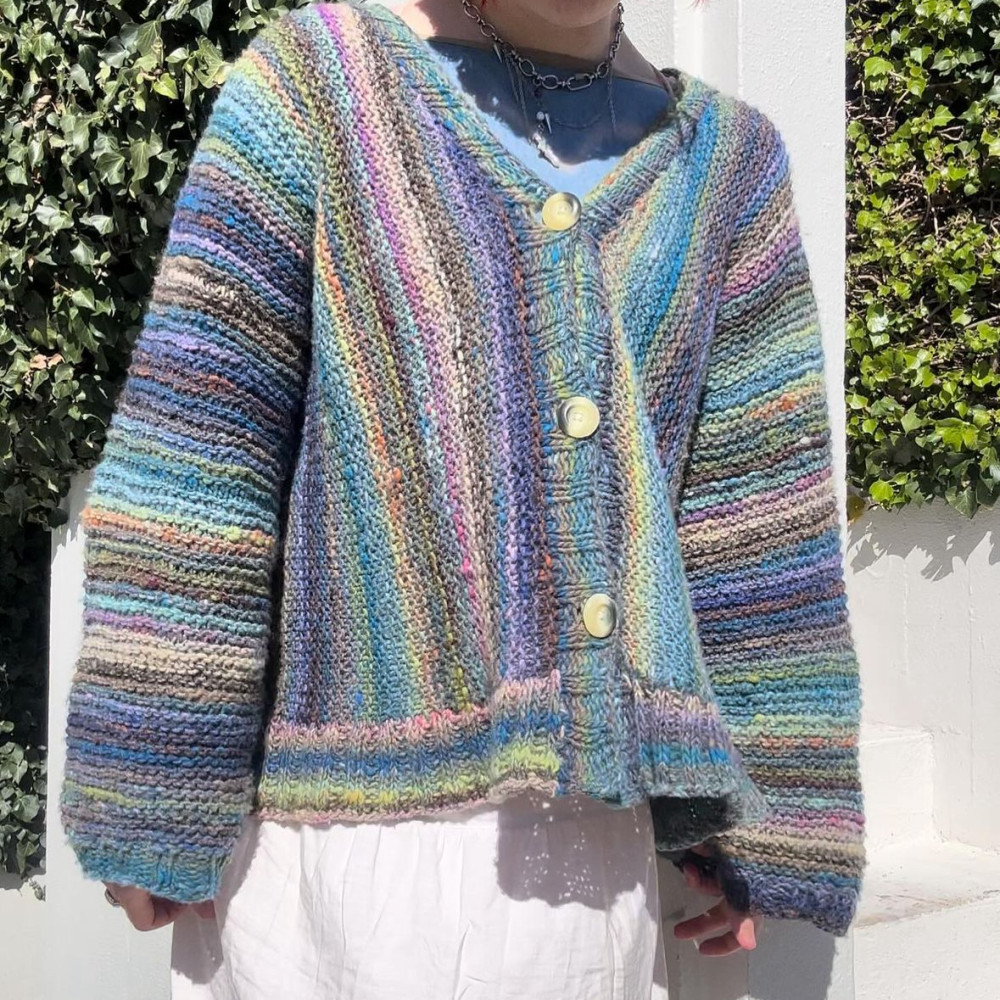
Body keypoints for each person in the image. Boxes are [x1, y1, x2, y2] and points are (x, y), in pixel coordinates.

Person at [59, 1, 867, 997]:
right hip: (328, 868)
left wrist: (768, 820)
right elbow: (199, 452)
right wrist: (151, 780)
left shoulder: (728, 164)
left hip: (580, 875)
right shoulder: (319, 85)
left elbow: (754, 522)